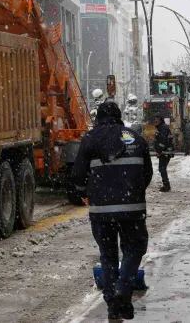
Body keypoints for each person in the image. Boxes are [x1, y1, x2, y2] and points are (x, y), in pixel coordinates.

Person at [72, 101, 153, 321]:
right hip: (132, 209)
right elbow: (147, 173)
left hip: (101, 211)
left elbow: (78, 175)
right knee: (134, 249)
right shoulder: (135, 138)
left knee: (107, 255)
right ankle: (121, 290)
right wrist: (133, 192)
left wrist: (86, 191)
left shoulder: (90, 139)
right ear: (119, 117)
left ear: (99, 117)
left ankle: (112, 303)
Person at [153, 114, 174, 192]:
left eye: (157, 119)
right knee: (162, 168)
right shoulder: (162, 127)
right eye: (155, 119)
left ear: (160, 120)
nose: (155, 121)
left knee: (162, 168)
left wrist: (159, 151)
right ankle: (166, 185)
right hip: (166, 151)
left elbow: (163, 141)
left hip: (165, 152)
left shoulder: (162, 128)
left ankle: (166, 186)